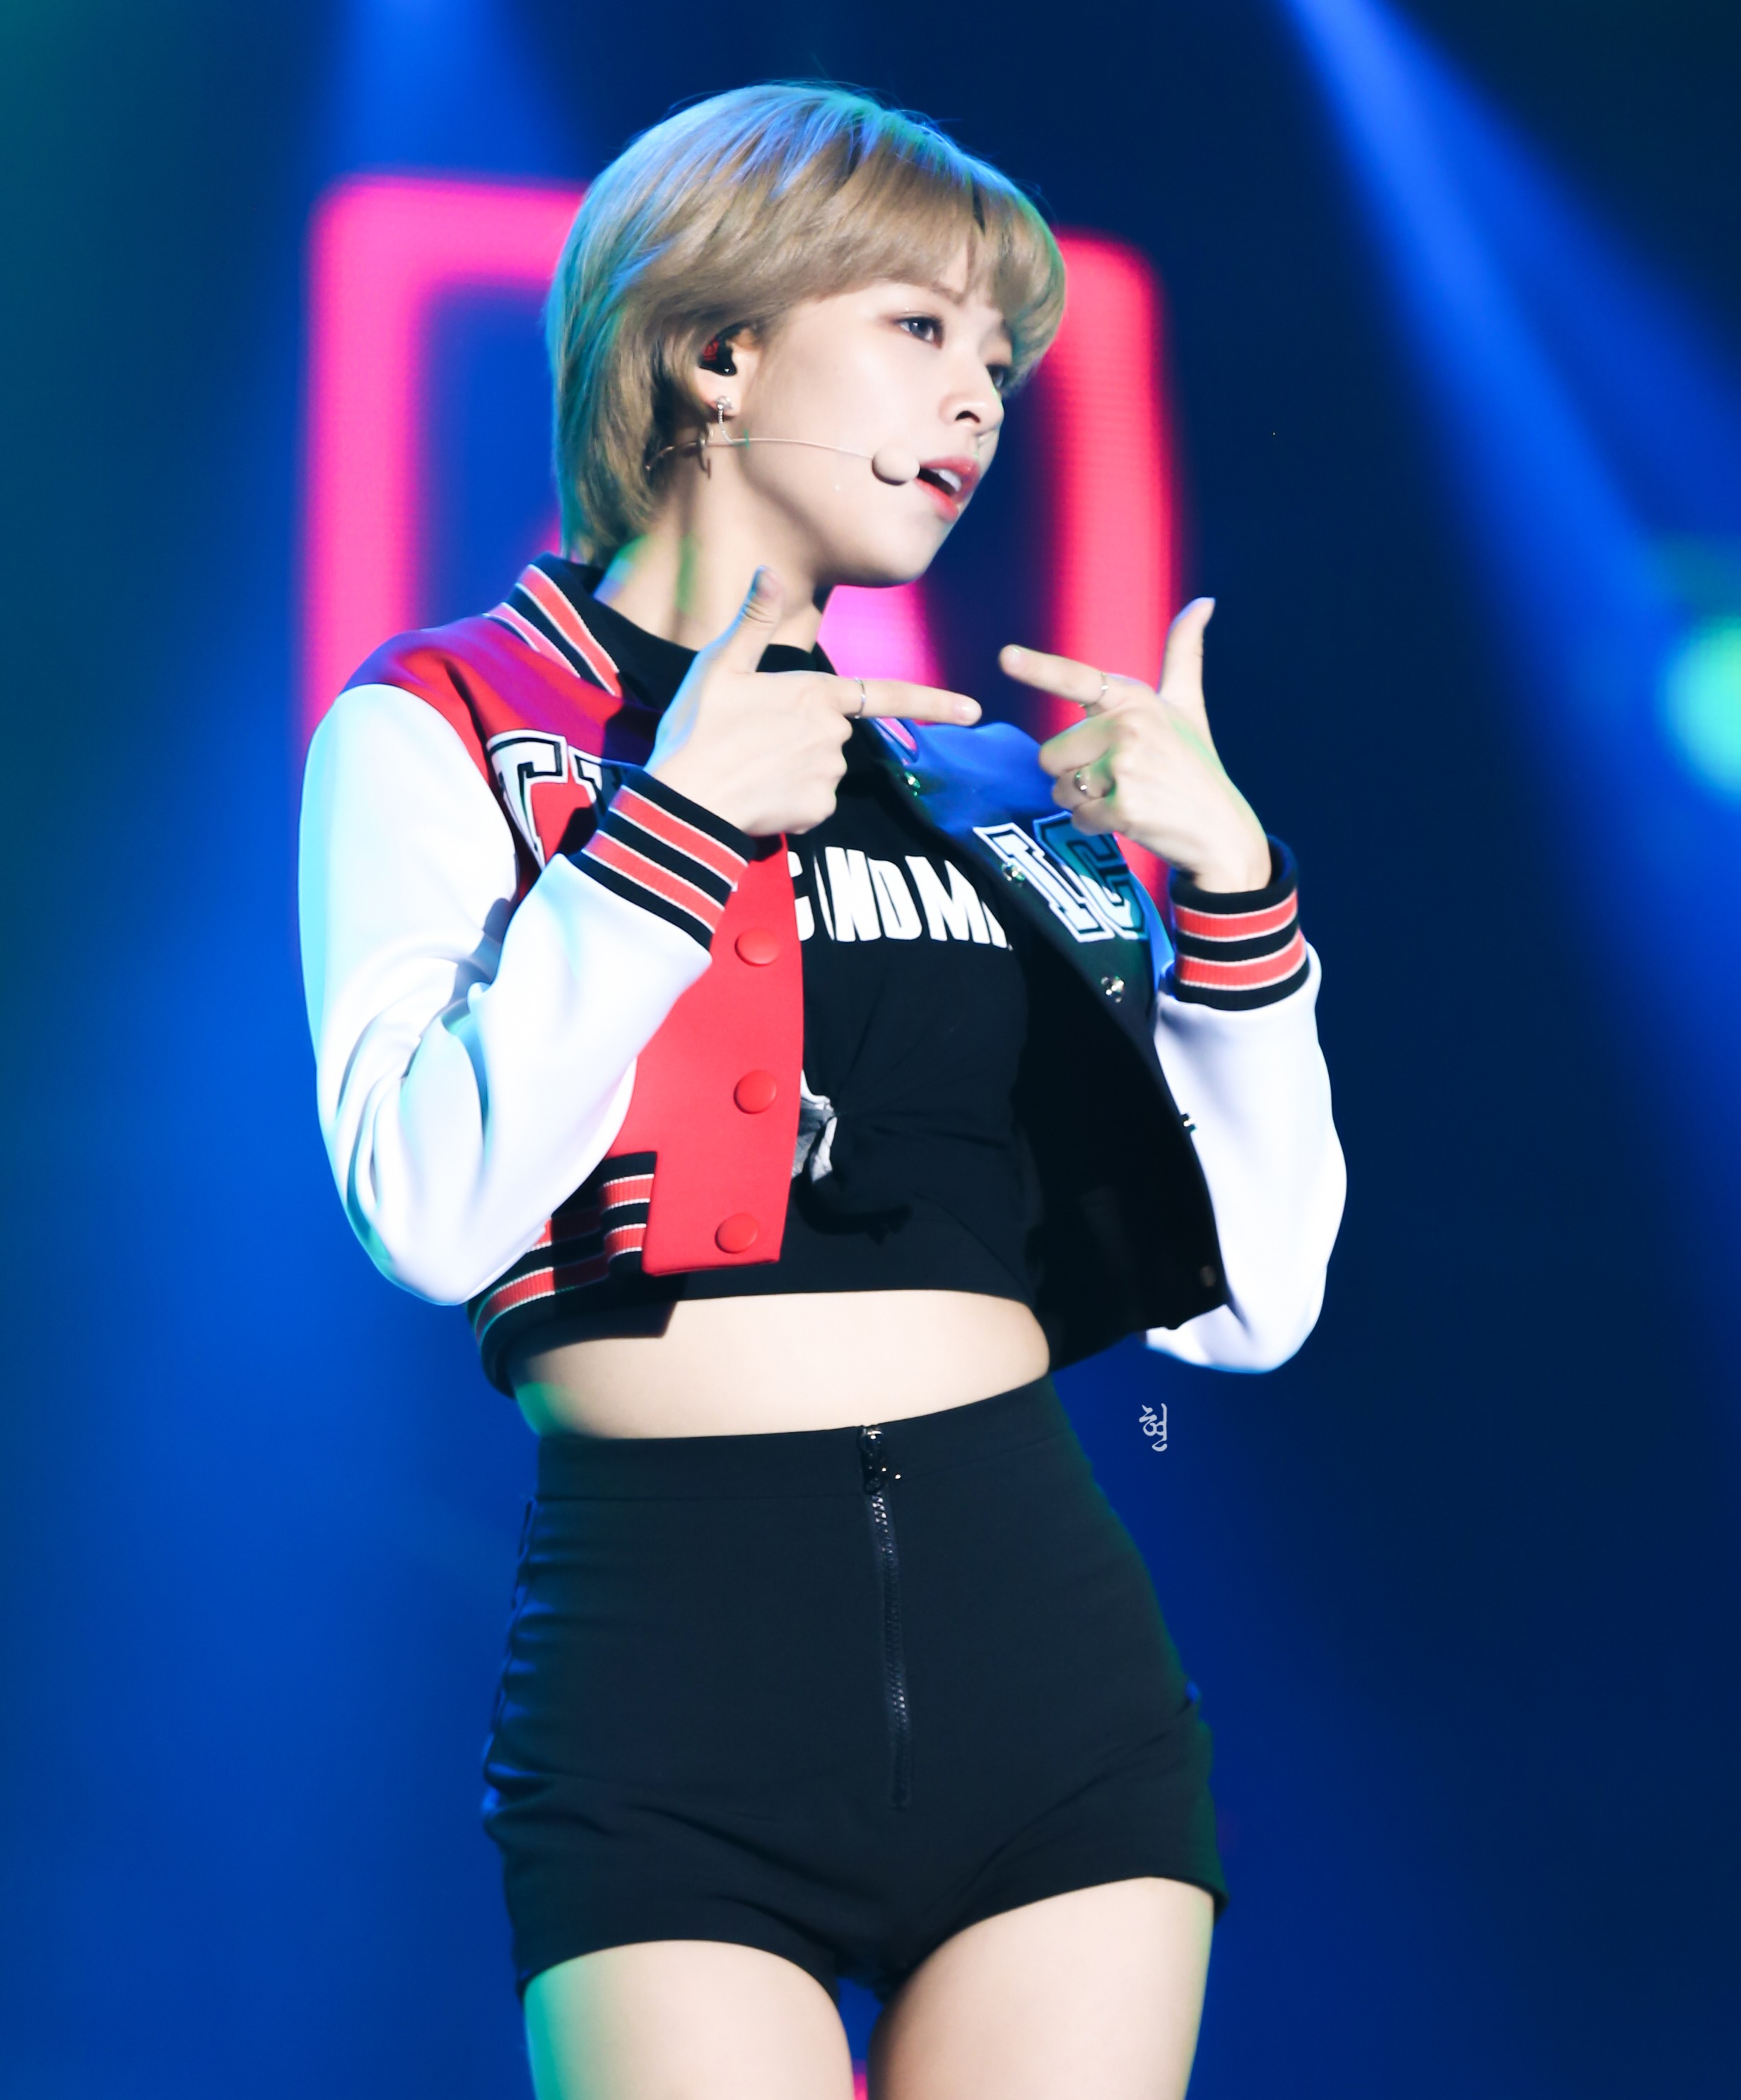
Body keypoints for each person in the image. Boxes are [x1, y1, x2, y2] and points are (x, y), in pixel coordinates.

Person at [298, 81, 1344, 2100]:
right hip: (669, 1680)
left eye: (1001, 361)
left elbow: (1251, 1299)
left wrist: (1231, 896)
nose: (979, 399)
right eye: (921, 326)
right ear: (717, 348)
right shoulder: (443, 721)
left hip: (1045, 1661)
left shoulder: (986, 789)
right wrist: (674, 832)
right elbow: (424, 1207)